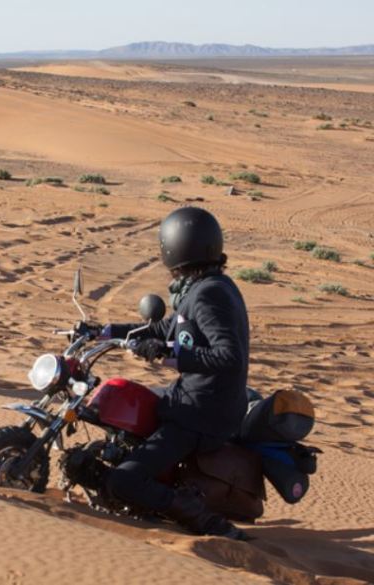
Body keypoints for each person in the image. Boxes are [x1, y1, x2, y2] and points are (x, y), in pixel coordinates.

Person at [101, 206, 249, 540]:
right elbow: (165, 328)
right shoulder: (205, 287)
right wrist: (104, 330)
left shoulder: (209, 294)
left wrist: (171, 354)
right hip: (193, 398)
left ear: (173, 248)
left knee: (124, 481)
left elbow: (230, 357)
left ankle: (201, 519)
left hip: (204, 413)